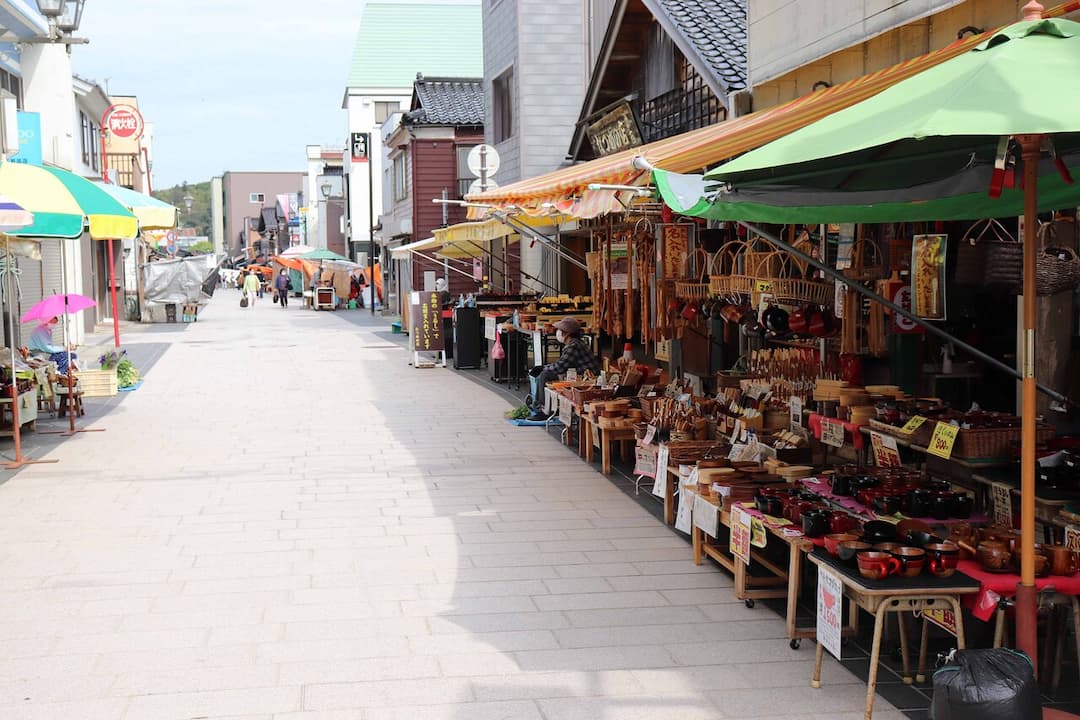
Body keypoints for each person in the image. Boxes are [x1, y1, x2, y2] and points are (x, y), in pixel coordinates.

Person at [527, 316, 599, 421]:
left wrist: (543, 368)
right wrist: (544, 367)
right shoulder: (575, 343)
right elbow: (562, 364)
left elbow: (560, 367)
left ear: (566, 333)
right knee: (545, 372)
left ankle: (542, 410)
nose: (558, 333)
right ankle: (545, 407)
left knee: (544, 375)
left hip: (585, 378)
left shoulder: (573, 346)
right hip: (579, 374)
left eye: (560, 331)